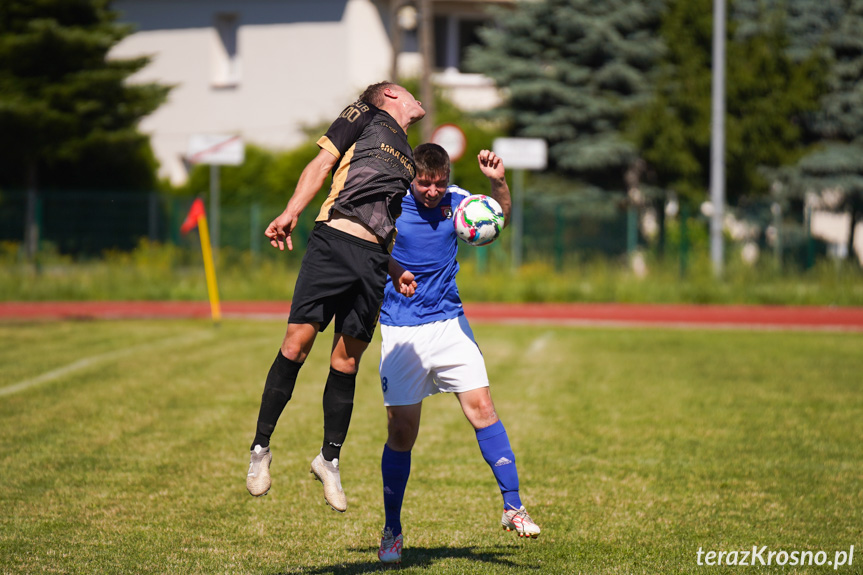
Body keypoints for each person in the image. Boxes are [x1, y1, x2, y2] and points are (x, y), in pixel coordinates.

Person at [245, 82, 423, 513]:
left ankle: (329, 460)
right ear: (392, 95)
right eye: (409, 92)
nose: (418, 97)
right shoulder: (363, 113)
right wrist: (291, 211)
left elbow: (385, 218)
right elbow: (321, 164)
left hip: (374, 261)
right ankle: (260, 450)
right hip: (333, 242)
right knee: (296, 346)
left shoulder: (410, 159)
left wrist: (394, 267)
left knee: (346, 362)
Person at [375, 143, 541, 565]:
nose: (432, 191)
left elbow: (496, 217)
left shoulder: (458, 202)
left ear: (448, 178)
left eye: (439, 183)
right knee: (401, 433)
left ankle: (513, 507)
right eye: (424, 183)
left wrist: (498, 182)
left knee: (483, 408)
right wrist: (394, 272)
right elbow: (369, 250)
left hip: (450, 324)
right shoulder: (392, 207)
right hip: (401, 331)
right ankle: (392, 530)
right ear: (412, 178)